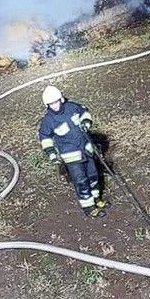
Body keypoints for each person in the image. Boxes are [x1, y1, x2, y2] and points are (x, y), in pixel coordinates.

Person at [38, 85, 106, 218]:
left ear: (61, 99)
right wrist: (51, 153)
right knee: (81, 182)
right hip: (72, 158)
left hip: (87, 151)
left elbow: (85, 112)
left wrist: (86, 122)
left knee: (93, 176)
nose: (55, 106)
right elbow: (45, 138)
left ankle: (97, 199)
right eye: (51, 104)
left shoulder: (72, 107)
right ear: (47, 105)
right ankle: (89, 207)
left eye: (56, 102)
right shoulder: (48, 121)